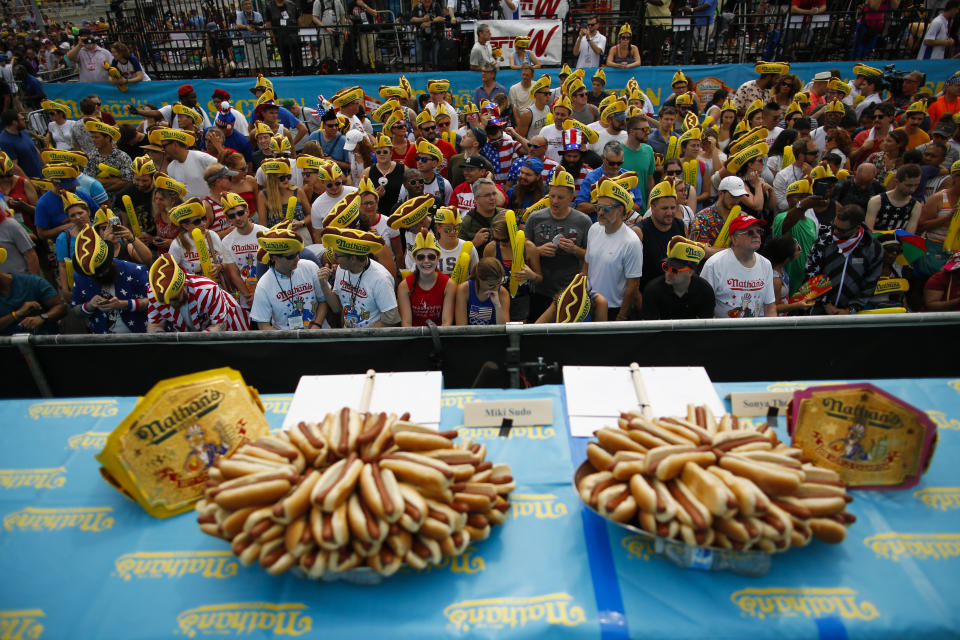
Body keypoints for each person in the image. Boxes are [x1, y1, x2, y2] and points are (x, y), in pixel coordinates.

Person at [803, 204, 883, 315]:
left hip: (854, 313)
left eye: (841, 230)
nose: (835, 232)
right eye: (834, 226)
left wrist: (851, 309)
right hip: (820, 309)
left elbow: (871, 282)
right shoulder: (824, 241)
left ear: (857, 227)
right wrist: (825, 302)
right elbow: (811, 272)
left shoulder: (873, 248)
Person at [582, 178, 643, 320]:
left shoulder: (631, 242)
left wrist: (621, 316)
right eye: (598, 207)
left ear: (620, 210)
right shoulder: (594, 229)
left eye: (606, 209)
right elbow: (586, 267)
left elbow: (633, 285)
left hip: (614, 310)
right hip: (589, 305)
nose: (600, 212)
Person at [71, 223, 149, 334]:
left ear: (110, 261)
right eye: (95, 275)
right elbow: (75, 311)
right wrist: (89, 305)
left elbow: (154, 302)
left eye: (102, 271)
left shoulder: (135, 270)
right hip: (102, 341)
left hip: (138, 336)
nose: (100, 276)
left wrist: (123, 304)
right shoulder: (81, 277)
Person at [250, 223, 327, 330]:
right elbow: (263, 325)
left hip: (317, 333)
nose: (297, 259)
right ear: (274, 258)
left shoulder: (310, 267)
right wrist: (287, 342)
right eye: (290, 256)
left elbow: (323, 301)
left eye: (297, 253)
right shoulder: (264, 285)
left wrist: (317, 325)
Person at [146, 253, 249, 332]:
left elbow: (219, 325)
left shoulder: (208, 289)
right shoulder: (155, 293)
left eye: (174, 298)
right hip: (192, 334)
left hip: (230, 326)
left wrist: (196, 344)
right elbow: (155, 325)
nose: (170, 303)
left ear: (184, 286)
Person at [700, 212, 777, 318]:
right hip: (723, 333)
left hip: (755, 333)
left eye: (759, 231)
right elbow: (702, 307)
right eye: (750, 232)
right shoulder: (714, 264)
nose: (756, 235)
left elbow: (770, 307)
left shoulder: (766, 264)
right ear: (734, 239)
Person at [321, 227, 399, 328]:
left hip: (369, 339)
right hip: (350, 338)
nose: (334, 259)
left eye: (337, 256)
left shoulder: (381, 279)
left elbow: (391, 319)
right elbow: (337, 308)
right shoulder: (342, 268)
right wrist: (324, 285)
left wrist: (362, 336)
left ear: (353, 259)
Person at [483, 211, 541, 322]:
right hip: (497, 298)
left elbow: (539, 279)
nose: (500, 243)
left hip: (520, 299)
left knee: (517, 336)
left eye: (504, 240)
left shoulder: (528, 248)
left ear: (513, 234)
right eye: (496, 239)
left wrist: (532, 275)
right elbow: (483, 277)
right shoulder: (491, 248)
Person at [641, 236, 715, 319]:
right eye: (666, 267)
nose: (668, 273)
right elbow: (650, 328)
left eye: (675, 270)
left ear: (690, 272)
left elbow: (706, 328)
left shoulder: (704, 290)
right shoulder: (653, 290)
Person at [0, 247, 67, 336]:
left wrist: (42, 318)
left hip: (46, 344)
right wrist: (16, 314)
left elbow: (61, 307)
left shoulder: (32, 282)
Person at [397, 230, 455, 326]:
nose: (426, 261)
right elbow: (406, 323)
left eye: (431, 257)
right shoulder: (404, 286)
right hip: (415, 338)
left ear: (438, 258)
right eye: (421, 257)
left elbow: (446, 322)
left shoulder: (449, 285)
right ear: (415, 259)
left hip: (440, 337)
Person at [639, 180, 687, 293]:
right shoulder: (640, 231)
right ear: (653, 207)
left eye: (673, 207)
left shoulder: (681, 225)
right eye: (665, 208)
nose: (670, 212)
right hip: (649, 295)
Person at [576, 142, 643, 220]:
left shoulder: (628, 177)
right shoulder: (592, 178)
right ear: (603, 158)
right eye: (611, 163)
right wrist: (603, 205)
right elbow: (580, 207)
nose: (615, 167)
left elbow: (638, 206)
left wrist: (615, 207)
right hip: (598, 224)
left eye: (619, 163)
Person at [916, 160, 960, 277]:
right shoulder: (939, 198)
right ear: (954, 177)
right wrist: (948, 217)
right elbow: (921, 225)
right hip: (935, 248)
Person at [690, 175, 749, 257]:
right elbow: (699, 251)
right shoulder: (702, 218)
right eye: (732, 196)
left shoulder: (744, 218)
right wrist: (736, 251)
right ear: (721, 193)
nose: (736, 201)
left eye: (739, 197)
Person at [151, 128, 216, 201]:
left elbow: (224, 173)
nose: (162, 149)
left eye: (164, 146)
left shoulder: (201, 158)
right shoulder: (170, 168)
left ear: (175, 145)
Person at [257, 159, 311, 242]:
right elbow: (262, 225)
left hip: (300, 235)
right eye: (282, 178)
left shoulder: (298, 191)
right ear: (272, 179)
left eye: (288, 176)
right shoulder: (263, 195)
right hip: (277, 237)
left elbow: (310, 215)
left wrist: (301, 223)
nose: (286, 180)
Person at [760, 233, 813, 315]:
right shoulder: (775, 280)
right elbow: (774, 307)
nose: (800, 251)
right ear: (787, 257)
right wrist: (797, 305)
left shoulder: (780, 268)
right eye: (798, 248)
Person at [83, 119, 133, 201]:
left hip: (120, 201)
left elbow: (128, 182)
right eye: (92, 137)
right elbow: (90, 182)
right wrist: (116, 180)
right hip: (98, 201)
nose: (93, 140)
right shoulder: (90, 157)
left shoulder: (123, 156)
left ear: (107, 138)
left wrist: (101, 186)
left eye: (96, 137)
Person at [455, 256, 509, 325]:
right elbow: (461, 327)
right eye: (491, 285)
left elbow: (504, 330)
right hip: (469, 334)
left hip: (494, 334)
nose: (496, 287)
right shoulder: (464, 289)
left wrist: (497, 306)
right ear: (479, 279)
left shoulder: (502, 293)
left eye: (499, 282)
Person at [264, 0, 303, 75]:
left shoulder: (291, 4)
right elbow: (268, 23)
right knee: (285, 59)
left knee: (297, 58)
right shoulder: (269, 7)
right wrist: (272, 36)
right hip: (280, 36)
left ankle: (298, 74)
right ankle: (287, 74)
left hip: (293, 35)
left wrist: (300, 32)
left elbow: (298, 19)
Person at [0, 110, 42, 179]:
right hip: (31, 180)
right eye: (22, 119)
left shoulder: (23, 131)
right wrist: (29, 183)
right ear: (14, 122)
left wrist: (45, 166)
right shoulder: (4, 141)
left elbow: (34, 148)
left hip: (42, 175)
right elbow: (14, 166)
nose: (25, 121)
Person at [411, 0, 444, 71]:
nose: (427, 1)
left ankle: (434, 76)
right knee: (419, 60)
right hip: (420, 37)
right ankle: (420, 75)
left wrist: (430, 21)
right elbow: (412, 19)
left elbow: (442, 18)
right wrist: (422, 19)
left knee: (435, 60)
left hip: (434, 37)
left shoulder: (436, 5)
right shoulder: (417, 6)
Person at [237, 0, 269, 73]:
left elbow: (261, 26)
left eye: (249, 4)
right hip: (248, 42)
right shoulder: (240, 15)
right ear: (242, 6)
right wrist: (247, 27)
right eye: (246, 4)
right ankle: (254, 82)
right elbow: (238, 25)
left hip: (260, 40)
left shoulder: (257, 14)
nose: (248, 6)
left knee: (264, 63)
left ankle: (264, 81)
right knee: (252, 64)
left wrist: (255, 26)